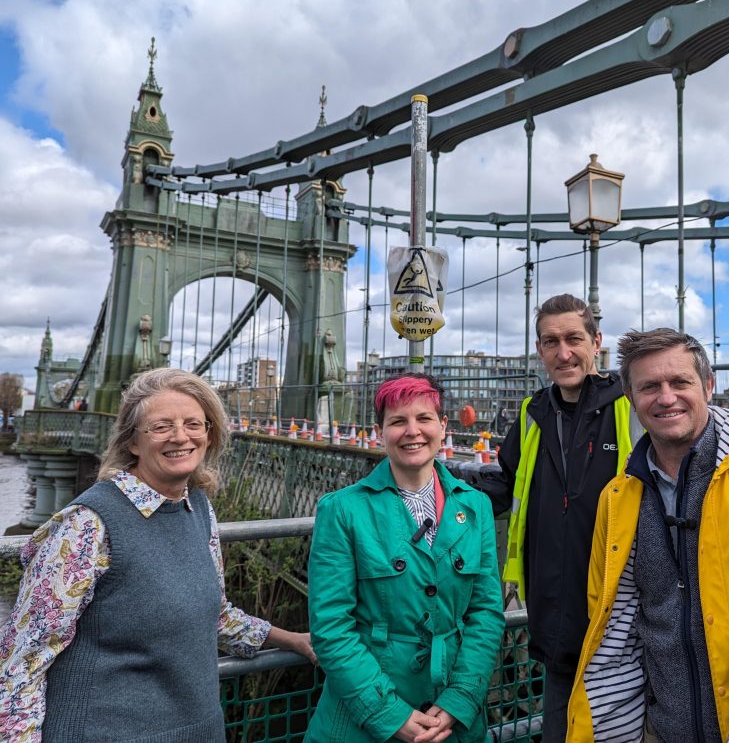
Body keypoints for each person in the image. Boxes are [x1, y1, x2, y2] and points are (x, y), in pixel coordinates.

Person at [0, 367, 314, 743]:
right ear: (133, 442)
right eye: (161, 426)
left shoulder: (197, 508)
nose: (181, 436)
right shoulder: (88, 525)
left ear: (209, 434)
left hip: (197, 730)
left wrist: (292, 640)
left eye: (194, 424)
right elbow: (24, 663)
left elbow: (211, 616)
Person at [567, 328, 729, 742]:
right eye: (649, 386)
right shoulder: (617, 500)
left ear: (708, 386)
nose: (666, 397)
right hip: (661, 730)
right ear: (630, 397)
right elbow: (612, 625)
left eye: (680, 382)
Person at [307, 373, 504, 743]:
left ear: (443, 426)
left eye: (424, 419)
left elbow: (486, 612)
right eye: (398, 421)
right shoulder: (342, 511)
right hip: (362, 721)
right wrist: (389, 714)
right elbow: (331, 627)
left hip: (452, 718)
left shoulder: (475, 506)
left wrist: (459, 700)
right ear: (380, 431)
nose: (412, 431)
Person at [478, 293, 638, 742]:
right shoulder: (534, 414)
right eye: (551, 342)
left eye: (573, 338)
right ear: (539, 350)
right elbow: (504, 485)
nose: (563, 352)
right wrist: (428, 488)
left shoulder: (631, 406)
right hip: (552, 615)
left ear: (597, 342)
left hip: (621, 615)